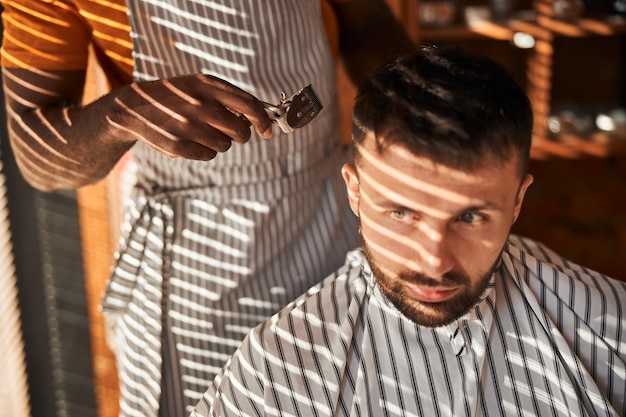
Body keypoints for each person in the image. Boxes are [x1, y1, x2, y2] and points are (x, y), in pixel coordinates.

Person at [0, 1, 415, 416]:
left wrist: (434, 129)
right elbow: (36, 153)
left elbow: (370, 26)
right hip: (196, 273)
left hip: (333, 225)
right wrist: (124, 113)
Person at [190, 46, 626, 417]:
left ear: (517, 201)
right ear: (355, 192)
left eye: (470, 218)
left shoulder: (609, 330)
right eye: (401, 213)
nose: (434, 260)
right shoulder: (277, 371)